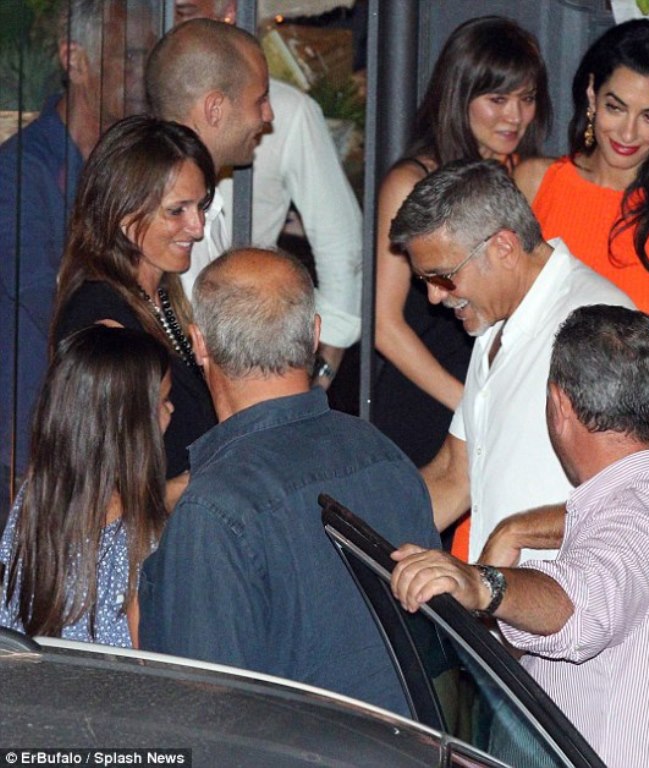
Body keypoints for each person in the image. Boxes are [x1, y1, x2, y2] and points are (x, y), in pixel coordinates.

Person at [390, 304, 649, 768]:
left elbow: (581, 602)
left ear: (559, 405)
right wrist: (517, 531)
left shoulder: (632, 522)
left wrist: (483, 584)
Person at [139, 247, 439, 716]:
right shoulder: (384, 456)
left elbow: (207, 719)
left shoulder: (213, 511)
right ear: (315, 335)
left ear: (199, 344)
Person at [515, 18, 649, 499]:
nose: (628, 132)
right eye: (616, 107)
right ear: (591, 93)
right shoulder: (536, 183)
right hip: (539, 434)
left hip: (647, 451)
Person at [389, 159, 634, 564]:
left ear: (503, 247)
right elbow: (456, 474)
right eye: (425, 281)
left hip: (570, 600)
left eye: (443, 276)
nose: (433, 296)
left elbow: (630, 500)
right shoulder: (493, 320)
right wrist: (352, 534)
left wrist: (515, 533)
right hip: (497, 597)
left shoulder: (598, 324)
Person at [0, 0, 156, 519]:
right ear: (75, 60)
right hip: (34, 452)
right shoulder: (22, 175)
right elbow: (56, 309)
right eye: (130, 56)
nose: (143, 76)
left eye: (148, 58)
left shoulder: (117, 168)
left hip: (95, 441)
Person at [373, 16, 551, 469]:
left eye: (527, 98)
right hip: (428, 397)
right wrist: (470, 404)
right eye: (498, 99)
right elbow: (386, 327)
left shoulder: (531, 178)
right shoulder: (411, 182)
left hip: (506, 393)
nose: (515, 116)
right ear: (460, 96)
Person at [170, 0, 363, 385]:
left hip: (250, 359)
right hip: (172, 361)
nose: (171, 20)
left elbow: (341, 245)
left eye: (184, 10)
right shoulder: (141, 98)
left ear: (230, 11)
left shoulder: (287, 111)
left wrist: (318, 375)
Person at [50, 115, 217, 500]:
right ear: (124, 215)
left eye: (201, 206)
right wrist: (191, 489)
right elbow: (95, 495)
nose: (197, 228)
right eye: (177, 210)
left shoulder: (162, 297)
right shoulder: (103, 321)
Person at [0, 325, 171, 648]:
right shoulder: (143, 537)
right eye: (162, 402)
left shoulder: (35, 499)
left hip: (29, 676)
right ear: (130, 425)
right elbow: (149, 661)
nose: (170, 411)